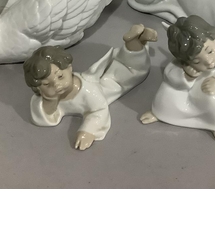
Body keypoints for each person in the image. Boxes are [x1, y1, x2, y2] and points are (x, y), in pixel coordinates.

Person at [24, 24, 157, 150]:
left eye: (60, 76)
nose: (56, 85)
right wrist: (50, 98)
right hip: (107, 75)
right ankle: (139, 40)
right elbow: (45, 114)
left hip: (117, 81)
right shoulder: (51, 96)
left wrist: (87, 131)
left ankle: (134, 41)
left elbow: (99, 109)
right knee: (128, 61)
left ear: (69, 68)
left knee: (135, 70)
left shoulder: (88, 91)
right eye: (46, 84)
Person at [140, 16, 215, 143]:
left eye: (210, 51)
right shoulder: (184, 61)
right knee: (167, 92)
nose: (209, 62)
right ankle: (161, 113)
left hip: (213, 94)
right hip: (191, 94)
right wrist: (186, 76)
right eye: (197, 61)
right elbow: (170, 74)